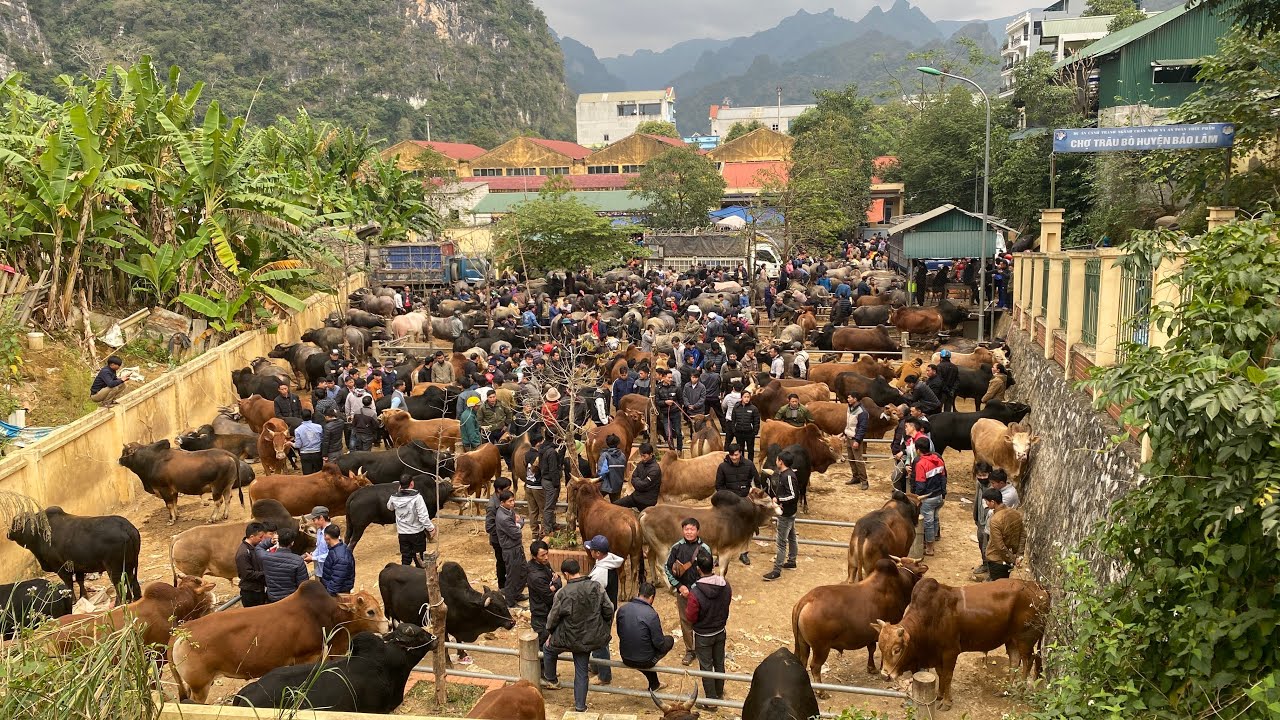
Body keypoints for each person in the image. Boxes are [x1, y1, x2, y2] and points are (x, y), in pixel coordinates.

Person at [541, 559, 614, 713]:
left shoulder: (562, 593)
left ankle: (551, 678)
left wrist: (550, 632)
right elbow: (609, 608)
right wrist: (604, 626)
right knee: (581, 672)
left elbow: (553, 618)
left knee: (547, 649)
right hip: (588, 637)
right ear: (578, 570)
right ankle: (580, 706)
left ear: (566, 574)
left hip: (566, 636)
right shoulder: (596, 587)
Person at [664, 518, 713, 666]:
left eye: (692, 529)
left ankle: (703, 648)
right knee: (685, 621)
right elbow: (667, 567)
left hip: (701, 592)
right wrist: (679, 586)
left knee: (702, 619)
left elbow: (708, 571)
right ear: (683, 530)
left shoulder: (704, 548)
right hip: (683, 592)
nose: (689, 532)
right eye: (686, 529)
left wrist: (692, 589)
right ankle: (690, 650)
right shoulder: (676, 548)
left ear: (698, 531)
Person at [684, 551, 731, 701]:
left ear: (698, 569)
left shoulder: (695, 592)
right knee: (719, 663)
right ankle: (719, 692)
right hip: (720, 630)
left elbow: (690, 616)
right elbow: (727, 602)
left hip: (703, 635)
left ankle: (711, 700)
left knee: (706, 667)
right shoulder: (725, 585)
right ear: (713, 566)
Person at [616, 581, 675, 692]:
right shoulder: (651, 614)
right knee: (669, 640)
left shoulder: (622, 609)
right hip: (645, 660)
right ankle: (654, 682)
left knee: (641, 646)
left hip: (625, 656)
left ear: (639, 593)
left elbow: (620, 633)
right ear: (652, 597)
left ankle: (655, 684)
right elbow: (659, 643)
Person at [585, 535, 623, 687]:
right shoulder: (609, 561)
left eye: (592, 550)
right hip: (609, 606)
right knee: (597, 639)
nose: (590, 552)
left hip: (600, 611)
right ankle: (595, 665)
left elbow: (594, 595)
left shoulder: (601, 572)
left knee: (601, 641)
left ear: (598, 553)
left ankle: (604, 675)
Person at [715, 444, 760, 565]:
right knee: (724, 529)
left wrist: (751, 492)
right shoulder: (722, 467)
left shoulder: (749, 464)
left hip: (745, 500)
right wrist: (728, 497)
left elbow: (756, 481)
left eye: (736, 454)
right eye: (731, 455)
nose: (734, 457)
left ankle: (743, 553)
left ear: (740, 453)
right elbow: (718, 486)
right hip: (729, 503)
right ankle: (720, 554)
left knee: (746, 528)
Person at [763, 449, 799, 582]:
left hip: (786, 513)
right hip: (789, 512)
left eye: (777, 459)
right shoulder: (786, 474)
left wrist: (778, 499)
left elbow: (793, 495)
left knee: (781, 543)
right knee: (792, 536)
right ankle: (792, 561)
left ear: (781, 462)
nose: (776, 461)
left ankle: (776, 570)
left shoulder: (787, 476)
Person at [389, 476, 438, 566]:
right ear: (412, 484)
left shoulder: (394, 497)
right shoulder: (417, 498)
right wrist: (431, 528)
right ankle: (419, 577)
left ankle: (405, 577)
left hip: (402, 533)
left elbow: (390, 507)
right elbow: (423, 516)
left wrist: (398, 492)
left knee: (405, 558)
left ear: (400, 485)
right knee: (419, 559)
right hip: (416, 533)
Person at [911, 437, 947, 556]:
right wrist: (943, 493)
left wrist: (916, 496)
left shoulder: (921, 464)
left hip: (928, 498)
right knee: (935, 518)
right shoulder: (938, 459)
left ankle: (930, 548)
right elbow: (943, 478)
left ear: (918, 450)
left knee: (928, 522)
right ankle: (934, 539)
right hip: (939, 496)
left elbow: (920, 485)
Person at [982, 488, 1024, 580]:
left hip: (997, 560)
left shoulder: (995, 520)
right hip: (1010, 557)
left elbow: (999, 546)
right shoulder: (1016, 513)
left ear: (993, 502)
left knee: (997, 588)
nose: (986, 504)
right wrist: (1018, 556)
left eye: (986, 501)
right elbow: (1022, 535)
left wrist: (1013, 559)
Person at [527, 540, 563, 647]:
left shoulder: (545, 564)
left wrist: (554, 586)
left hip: (548, 611)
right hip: (541, 615)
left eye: (547, 553)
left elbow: (557, 578)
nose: (546, 557)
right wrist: (555, 585)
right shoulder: (535, 576)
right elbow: (549, 596)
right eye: (542, 555)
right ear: (534, 556)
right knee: (544, 646)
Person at [496, 490, 529, 605]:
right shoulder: (503, 517)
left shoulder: (509, 511)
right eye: (510, 501)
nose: (512, 503)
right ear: (502, 502)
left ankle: (517, 593)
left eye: (513, 500)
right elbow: (516, 533)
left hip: (517, 547)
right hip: (510, 550)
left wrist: (518, 522)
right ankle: (510, 600)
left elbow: (518, 521)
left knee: (523, 571)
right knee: (513, 576)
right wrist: (519, 523)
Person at [261, 527, 309, 602]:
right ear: (292, 543)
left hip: (273, 600)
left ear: (278, 541)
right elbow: (303, 585)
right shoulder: (298, 560)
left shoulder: (265, 557)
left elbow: (258, 548)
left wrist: (270, 541)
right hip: (291, 599)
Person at [486, 477, 514, 588]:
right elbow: (489, 527)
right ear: (499, 490)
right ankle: (503, 587)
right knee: (502, 564)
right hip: (499, 541)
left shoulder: (505, 500)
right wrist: (505, 531)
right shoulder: (492, 506)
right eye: (506, 489)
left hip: (507, 539)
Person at [614, 442, 660, 511]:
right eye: (641, 455)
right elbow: (633, 478)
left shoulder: (655, 469)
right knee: (614, 505)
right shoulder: (641, 464)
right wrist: (638, 482)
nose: (642, 458)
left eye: (644, 456)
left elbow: (643, 485)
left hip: (647, 502)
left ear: (651, 454)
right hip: (635, 497)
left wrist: (637, 481)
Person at [236, 522, 269, 608]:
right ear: (252, 537)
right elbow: (247, 574)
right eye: (260, 537)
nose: (262, 540)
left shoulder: (254, 548)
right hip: (251, 592)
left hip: (258, 589)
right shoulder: (243, 553)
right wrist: (265, 573)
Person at [537, 433, 563, 534]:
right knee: (549, 506)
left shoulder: (542, 449)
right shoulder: (551, 452)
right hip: (550, 481)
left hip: (545, 479)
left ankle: (552, 524)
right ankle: (547, 529)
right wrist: (556, 483)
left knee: (550, 505)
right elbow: (553, 469)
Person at [320, 523, 355, 595]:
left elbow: (337, 579)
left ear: (326, 537)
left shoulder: (340, 557)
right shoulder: (337, 549)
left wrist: (328, 594)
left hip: (339, 594)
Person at [843, 392, 869, 489]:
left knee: (858, 460)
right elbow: (849, 423)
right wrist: (845, 434)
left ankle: (864, 480)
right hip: (849, 436)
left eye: (849, 398)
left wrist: (857, 440)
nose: (848, 399)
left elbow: (862, 428)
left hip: (855, 438)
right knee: (851, 459)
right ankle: (856, 477)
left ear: (855, 399)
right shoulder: (850, 408)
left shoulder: (862, 412)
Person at [654, 369, 683, 454]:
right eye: (668, 377)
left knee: (678, 432)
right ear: (663, 377)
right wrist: (665, 402)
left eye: (671, 377)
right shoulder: (658, 389)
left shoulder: (676, 388)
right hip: (665, 414)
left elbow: (681, 401)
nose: (670, 379)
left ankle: (679, 450)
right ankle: (672, 451)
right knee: (668, 434)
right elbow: (657, 402)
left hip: (676, 413)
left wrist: (677, 407)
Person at [729, 389, 761, 462]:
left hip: (749, 433)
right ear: (741, 397)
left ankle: (750, 463)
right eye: (745, 397)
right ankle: (741, 462)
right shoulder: (736, 407)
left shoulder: (754, 408)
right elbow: (733, 420)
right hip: (739, 432)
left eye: (748, 397)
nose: (746, 399)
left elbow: (757, 421)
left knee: (750, 450)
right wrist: (734, 430)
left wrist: (754, 432)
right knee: (740, 449)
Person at [302, 507, 332, 581]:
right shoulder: (319, 531)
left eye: (314, 519)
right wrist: (313, 555)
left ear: (321, 518)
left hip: (328, 573)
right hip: (319, 571)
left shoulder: (331, 533)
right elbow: (319, 548)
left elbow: (331, 555)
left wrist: (313, 558)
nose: (313, 522)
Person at [597, 434, 627, 503]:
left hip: (605, 486)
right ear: (618, 443)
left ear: (607, 443)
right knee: (616, 504)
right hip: (618, 485)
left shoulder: (605, 455)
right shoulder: (622, 455)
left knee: (598, 501)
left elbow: (602, 472)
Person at [293, 409, 324, 474]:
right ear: (311, 416)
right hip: (317, 453)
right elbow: (322, 439)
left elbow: (298, 445)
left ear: (301, 417)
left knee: (307, 476)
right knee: (318, 474)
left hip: (305, 454)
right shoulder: (319, 427)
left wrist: (290, 443)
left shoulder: (298, 430)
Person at [679, 369, 707, 439]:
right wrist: (687, 405)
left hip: (699, 411)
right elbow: (684, 396)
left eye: (695, 377)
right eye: (692, 377)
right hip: (690, 411)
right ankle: (692, 439)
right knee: (691, 426)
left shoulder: (702, 387)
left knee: (700, 426)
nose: (694, 379)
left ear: (698, 378)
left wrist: (695, 406)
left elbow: (702, 399)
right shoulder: (687, 386)